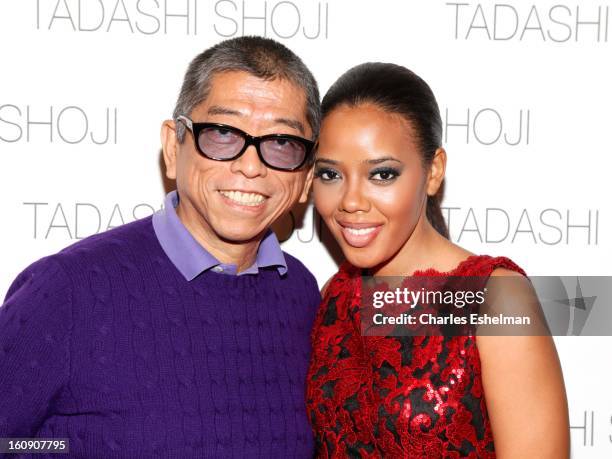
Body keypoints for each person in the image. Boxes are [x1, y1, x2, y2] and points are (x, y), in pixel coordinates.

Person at [0, 36, 321, 458]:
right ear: (174, 147)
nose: (250, 165)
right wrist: (66, 449)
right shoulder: (68, 289)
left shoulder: (301, 292)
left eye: (282, 142)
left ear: (305, 177)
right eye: (223, 133)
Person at [306, 63, 569, 458]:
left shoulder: (494, 299)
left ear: (433, 172)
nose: (351, 202)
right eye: (330, 175)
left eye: (381, 174)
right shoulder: (334, 297)